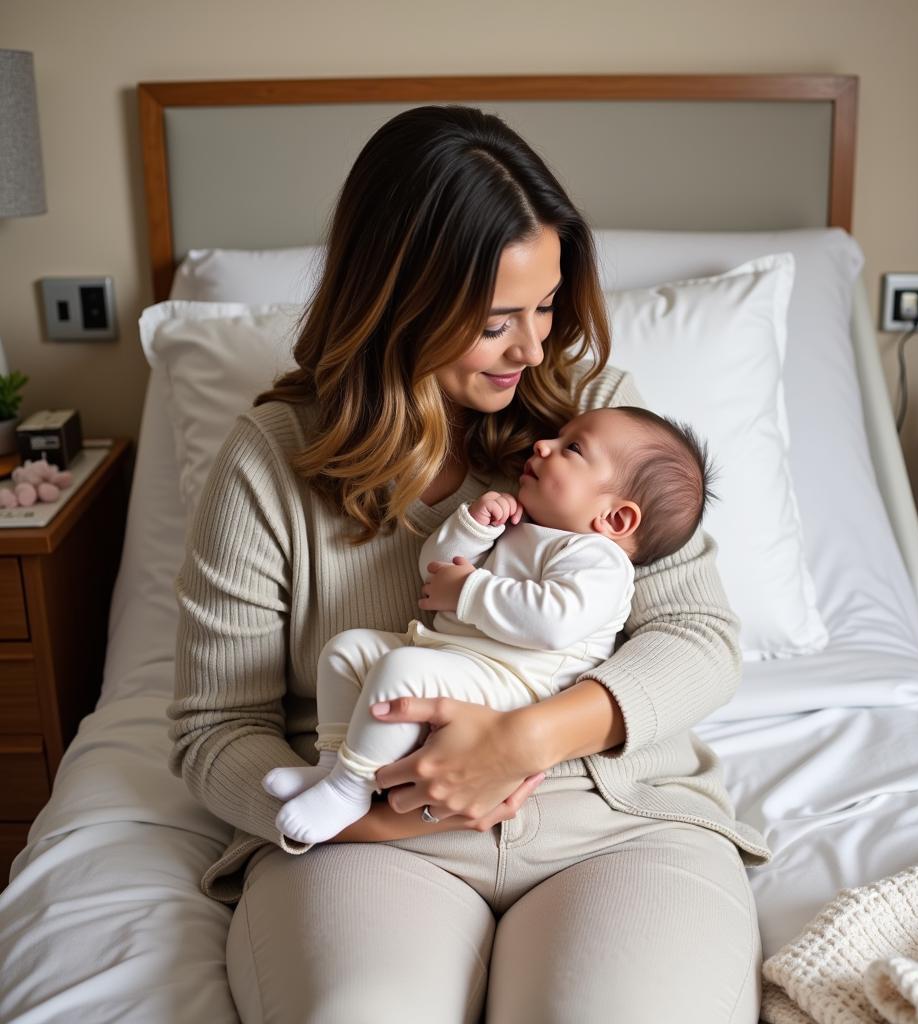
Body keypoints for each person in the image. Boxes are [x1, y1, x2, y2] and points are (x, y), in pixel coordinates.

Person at [168, 103, 771, 1023]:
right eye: (497, 321)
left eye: (545, 307)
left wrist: (523, 743)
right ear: (400, 303)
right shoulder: (271, 459)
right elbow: (214, 727)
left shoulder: (593, 421)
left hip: (611, 819)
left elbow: (699, 636)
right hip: (370, 836)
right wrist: (365, 811)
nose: (533, 348)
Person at [263, 405, 713, 846]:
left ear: (615, 518)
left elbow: (553, 622)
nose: (543, 443)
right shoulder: (526, 526)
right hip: (462, 659)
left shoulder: (601, 562)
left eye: (571, 448)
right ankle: (331, 766)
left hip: (518, 685)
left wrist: (468, 593)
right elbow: (436, 569)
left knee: (402, 672)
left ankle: (351, 789)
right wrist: (473, 527)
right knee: (348, 649)